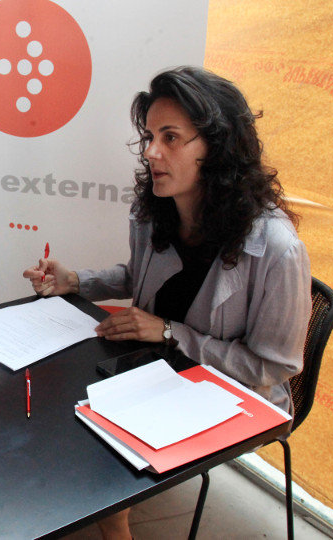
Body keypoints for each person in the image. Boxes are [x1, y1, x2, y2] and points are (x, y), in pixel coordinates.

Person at [22, 66, 311, 540]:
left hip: (235, 395)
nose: (152, 152)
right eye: (150, 136)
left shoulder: (277, 248)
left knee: (102, 432)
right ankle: (100, 509)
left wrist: (171, 333)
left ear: (216, 147)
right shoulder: (155, 209)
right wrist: (76, 280)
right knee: (65, 393)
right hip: (160, 365)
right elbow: (141, 276)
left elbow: (272, 368)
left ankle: (115, 526)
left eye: (171, 137)